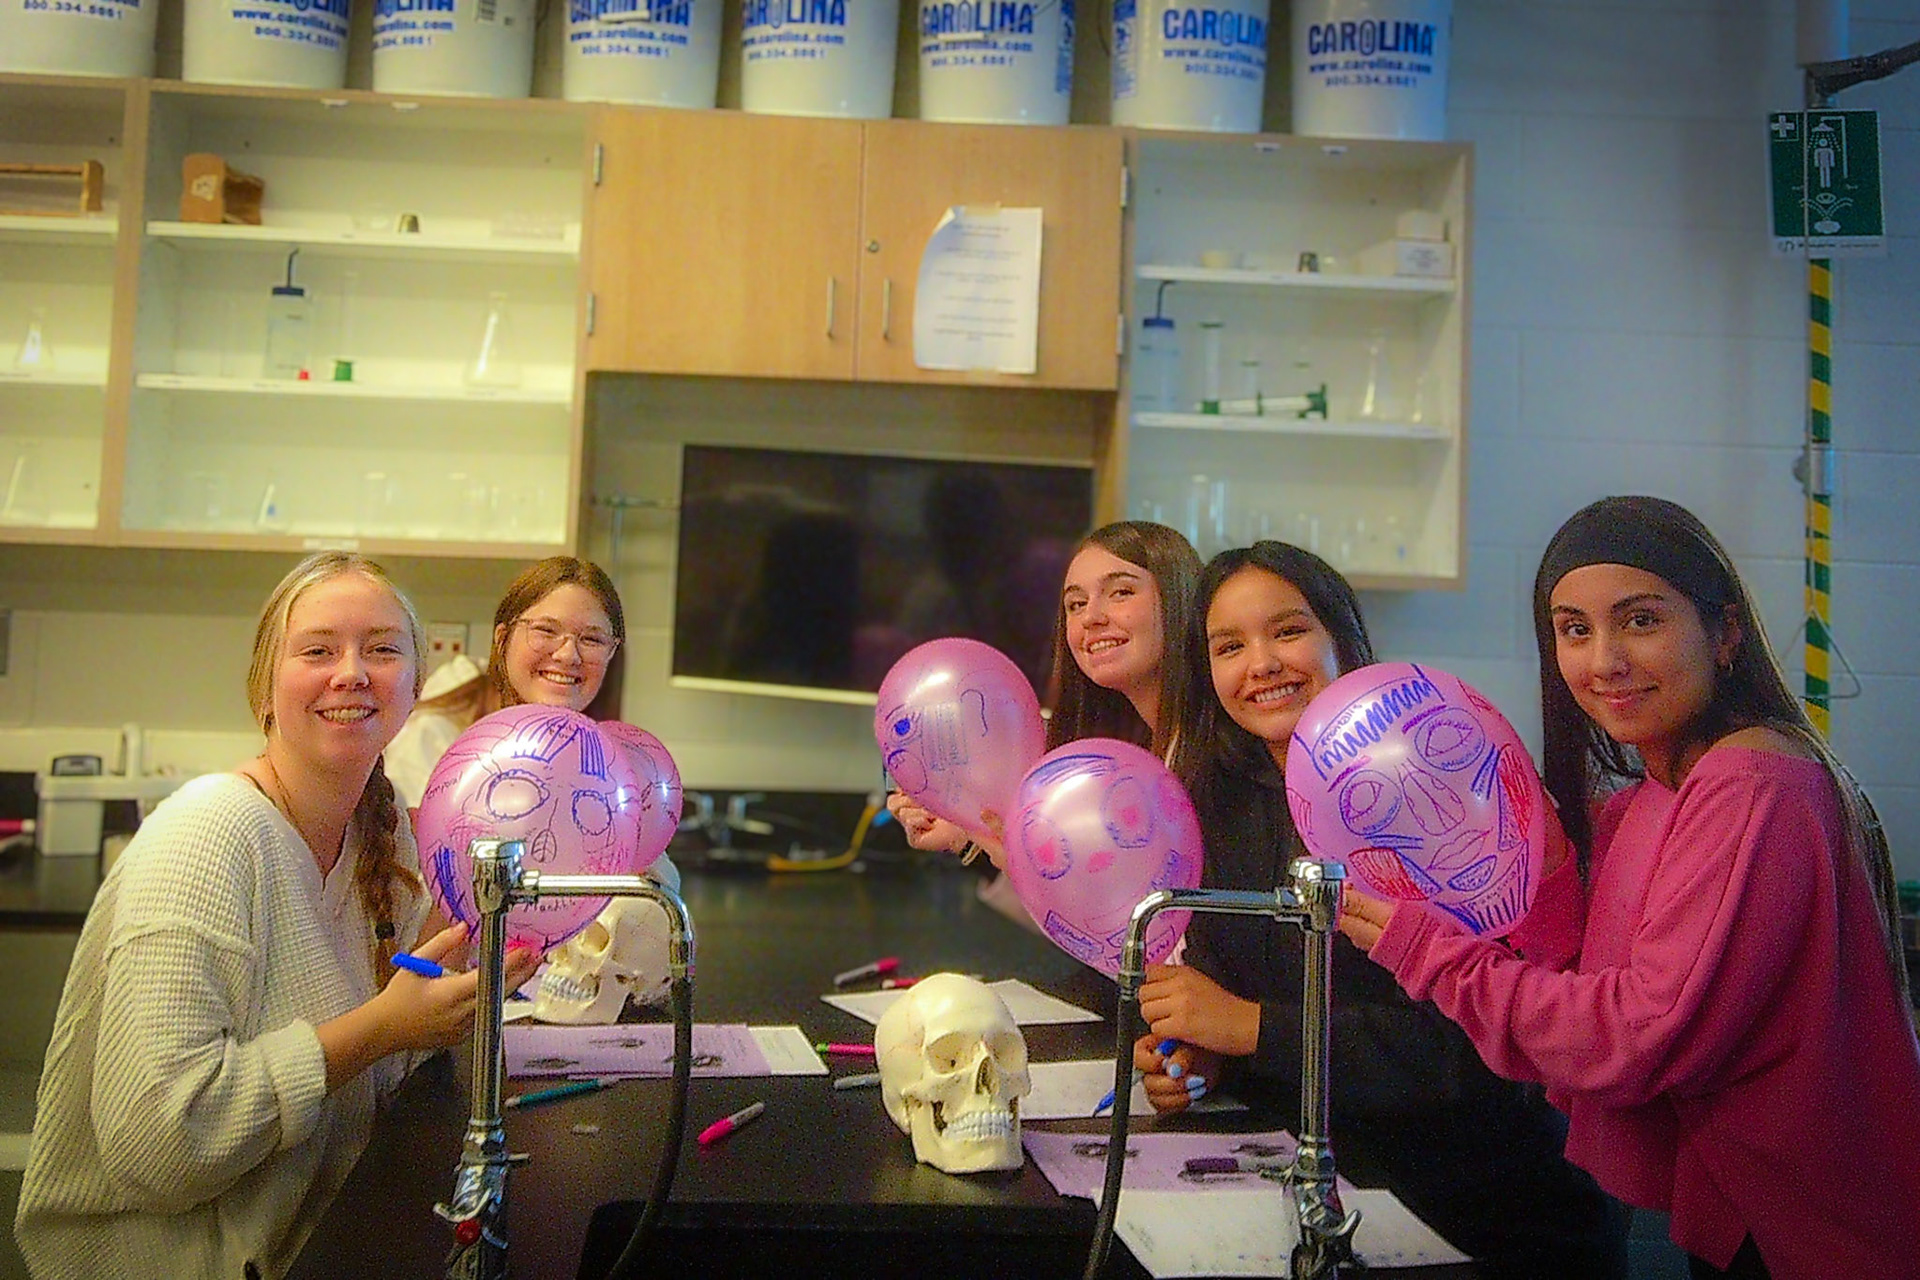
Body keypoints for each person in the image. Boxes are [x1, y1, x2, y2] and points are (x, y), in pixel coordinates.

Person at [1339, 497, 1920, 1280]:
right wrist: (1541, 876)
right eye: (1575, 629)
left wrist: (1432, 954)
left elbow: (1635, 1034)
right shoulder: (1648, 797)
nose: (1604, 660)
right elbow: (1583, 996)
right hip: (1749, 1214)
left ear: (1725, 632)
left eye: (1640, 620)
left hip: (1818, 1236)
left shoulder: (1752, 783)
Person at [15, 551, 540, 1280]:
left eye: (382, 649)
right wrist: (385, 1027)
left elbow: (384, 1076)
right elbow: (157, 1149)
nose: (352, 672)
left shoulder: (379, 834)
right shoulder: (206, 836)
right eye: (318, 650)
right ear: (265, 687)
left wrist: (450, 993)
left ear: (415, 686)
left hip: (314, 1241)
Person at [1138, 540, 1628, 1277]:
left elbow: (1481, 1050)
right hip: (1305, 1200)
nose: (1262, 663)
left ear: (1344, 639)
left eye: (1290, 630)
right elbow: (1220, 994)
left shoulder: (1436, 774)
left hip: (1484, 1209)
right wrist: (1199, 1058)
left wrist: (1250, 1029)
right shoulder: (1214, 804)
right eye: (1229, 645)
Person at [885, 520, 1202, 871]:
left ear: (1179, 597)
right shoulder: (1114, 750)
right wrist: (966, 827)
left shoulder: (1216, 752)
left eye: (1121, 593)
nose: (1091, 618)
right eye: (1076, 604)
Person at [385, 555, 627, 808]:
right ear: (502, 639)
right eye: (545, 630)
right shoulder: (435, 741)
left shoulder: (611, 770)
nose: (568, 655)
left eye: (592, 640)